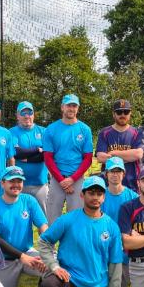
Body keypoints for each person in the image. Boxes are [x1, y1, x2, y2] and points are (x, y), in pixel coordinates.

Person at [34, 176, 123, 287]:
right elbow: (44, 242)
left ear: (104, 197)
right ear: (82, 195)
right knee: (47, 286)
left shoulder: (111, 227)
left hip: (94, 285)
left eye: (99, 194)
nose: (95, 197)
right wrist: (54, 266)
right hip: (67, 276)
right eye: (91, 193)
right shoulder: (68, 219)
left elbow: (115, 265)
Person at [0, 166, 49, 287]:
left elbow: (43, 226)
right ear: (2, 183)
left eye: (19, 181)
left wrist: (47, 253)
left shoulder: (29, 201)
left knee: (52, 267)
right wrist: (21, 256)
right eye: (11, 181)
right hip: (3, 259)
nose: (16, 185)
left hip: (27, 253)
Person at [43, 94, 94, 224]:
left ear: (78, 108)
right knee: (52, 219)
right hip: (56, 179)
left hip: (76, 179)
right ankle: (50, 245)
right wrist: (62, 181)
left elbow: (88, 158)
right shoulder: (51, 129)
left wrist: (72, 179)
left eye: (74, 106)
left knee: (76, 219)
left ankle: (72, 244)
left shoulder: (85, 129)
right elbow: (48, 158)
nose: (71, 109)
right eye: (68, 105)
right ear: (62, 107)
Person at [100, 156, 138, 287]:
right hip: (105, 246)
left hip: (126, 249)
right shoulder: (100, 195)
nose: (115, 175)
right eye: (112, 171)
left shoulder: (133, 196)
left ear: (124, 173)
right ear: (106, 174)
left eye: (118, 171)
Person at [9, 101, 49, 215]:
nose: (27, 116)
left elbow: (47, 154)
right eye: (23, 113)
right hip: (19, 185)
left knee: (46, 219)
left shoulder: (44, 131)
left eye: (30, 112)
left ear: (34, 114)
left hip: (40, 184)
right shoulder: (12, 132)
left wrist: (28, 159)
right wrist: (37, 150)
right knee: (20, 219)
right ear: (17, 116)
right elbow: (17, 152)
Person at [95, 99, 144, 191]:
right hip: (108, 185)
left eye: (126, 112)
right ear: (113, 114)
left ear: (130, 114)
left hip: (132, 184)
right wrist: (128, 156)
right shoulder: (104, 132)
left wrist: (113, 153)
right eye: (119, 112)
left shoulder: (137, 132)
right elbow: (101, 157)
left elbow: (138, 154)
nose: (122, 115)